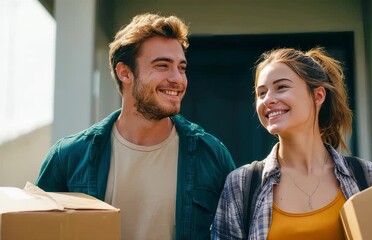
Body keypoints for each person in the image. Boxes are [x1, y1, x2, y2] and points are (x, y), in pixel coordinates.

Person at [36, 13, 236, 240]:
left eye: (181, 67)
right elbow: (36, 231)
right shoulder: (68, 157)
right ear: (125, 73)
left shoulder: (211, 155)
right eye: (162, 65)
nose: (178, 79)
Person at [211, 47, 372, 239]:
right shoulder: (242, 185)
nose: (268, 100)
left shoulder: (366, 176)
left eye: (281, 87)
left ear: (318, 96)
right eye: (261, 93)